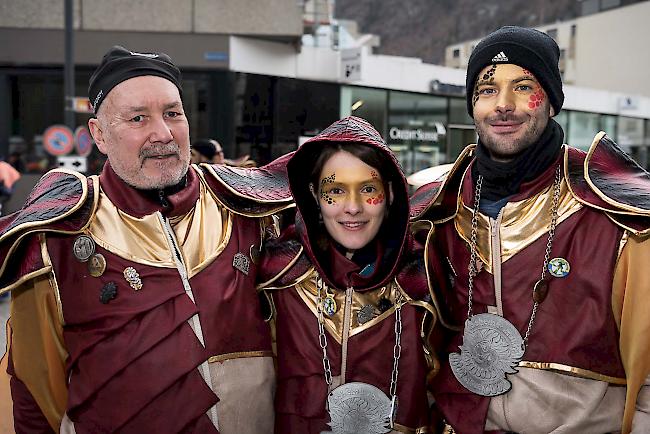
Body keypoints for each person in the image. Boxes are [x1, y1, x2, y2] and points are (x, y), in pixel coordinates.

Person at [0, 46, 293, 433]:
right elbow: (36, 393)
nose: (163, 133)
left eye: (173, 113)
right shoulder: (57, 235)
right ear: (98, 135)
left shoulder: (248, 210)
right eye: (138, 118)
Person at [410, 26, 650, 433]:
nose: (503, 106)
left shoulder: (620, 213)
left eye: (522, 87)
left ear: (552, 103)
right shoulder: (436, 209)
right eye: (486, 90)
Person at [258, 116, 443, 433]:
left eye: (368, 189)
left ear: (391, 193)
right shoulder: (277, 277)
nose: (353, 207)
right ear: (315, 196)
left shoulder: (426, 280)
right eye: (336, 190)